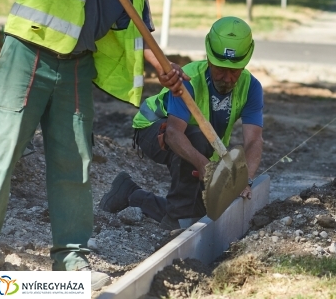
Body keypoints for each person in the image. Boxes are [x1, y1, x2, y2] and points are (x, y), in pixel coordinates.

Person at [0, 0, 184, 288]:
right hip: (30, 54)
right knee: (2, 150)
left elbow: (139, 27)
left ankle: (71, 258)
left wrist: (165, 71)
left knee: (75, 161)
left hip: (77, 65)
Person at [99, 17, 264, 232]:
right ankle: (177, 218)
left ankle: (131, 194)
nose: (227, 77)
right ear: (209, 57)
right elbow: (174, 134)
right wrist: (205, 165)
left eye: (235, 70)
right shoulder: (189, 79)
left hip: (198, 144)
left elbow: (253, 140)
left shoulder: (251, 87)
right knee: (196, 141)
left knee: (203, 213)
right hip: (154, 129)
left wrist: (247, 179)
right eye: (220, 69)